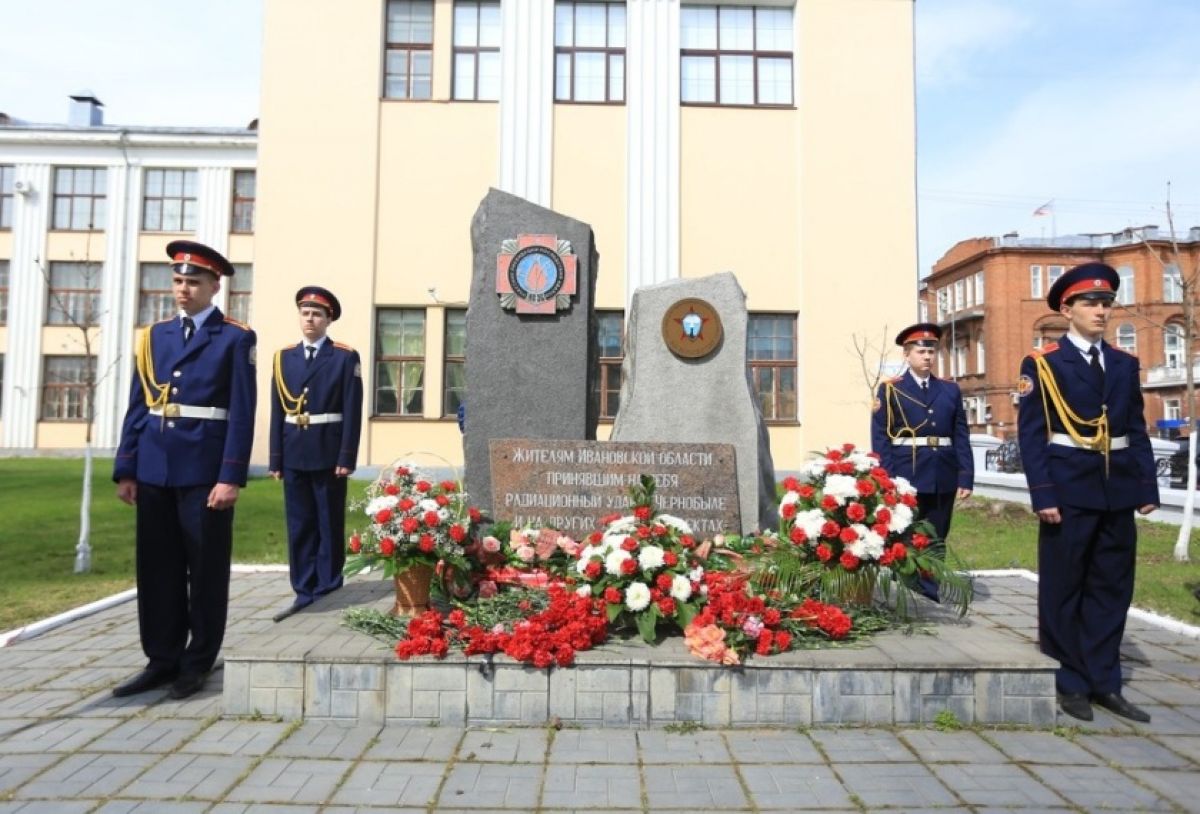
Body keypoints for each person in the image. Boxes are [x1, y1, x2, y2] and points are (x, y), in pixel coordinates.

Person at [112, 241, 256, 700]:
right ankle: (161, 659)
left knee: (205, 569)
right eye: (178, 281)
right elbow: (139, 405)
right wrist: (127, 467)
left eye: (193, 282)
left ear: (215, 287)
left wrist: (230, 476)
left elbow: (242, 413)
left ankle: (197, 662)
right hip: (154, 467)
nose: (183, 289)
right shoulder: (154, 337)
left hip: (204, 471)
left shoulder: (234, 337)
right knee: (157, 568)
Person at [1018, 261, 1158, 723]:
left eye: (1106, 303)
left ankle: (1104, 681)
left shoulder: (1123, 363)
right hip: (1068, 489)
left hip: (1117, 489)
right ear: (1067, 309)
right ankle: (1070, 681)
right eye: (1091, 303)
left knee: (1111, 588)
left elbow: (1135, 427)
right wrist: (1043, 494)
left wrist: (1146, 485)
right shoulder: (1043, 363)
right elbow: (1032, 435)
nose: (1101, 311)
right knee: (1063, 588)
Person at [268, 286, 363, 622]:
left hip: (327, 450)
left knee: (328, 521)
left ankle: (328, 587)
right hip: (294, 450)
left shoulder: (343, 357)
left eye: (317, 314)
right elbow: (277, 410)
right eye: (305, 313)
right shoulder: (283, 358)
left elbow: (352, 410)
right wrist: (275, 458)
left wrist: (346, 457)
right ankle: (303, 589)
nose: (310, 319)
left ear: (328, 320)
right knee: (299, 524)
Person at [871, 322, 974, 599]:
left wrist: (965, 475)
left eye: (931, 351)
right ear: (907, 355)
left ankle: (930, 589)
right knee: (907, 533)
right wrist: (888, 478)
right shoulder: (891, 390)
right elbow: (881, 437)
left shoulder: (950, 390)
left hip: (943, 472)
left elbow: (960, 434)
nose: (927, 356)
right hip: (907, 472)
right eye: (921, 351)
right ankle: (909, 588)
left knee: (937, 535)